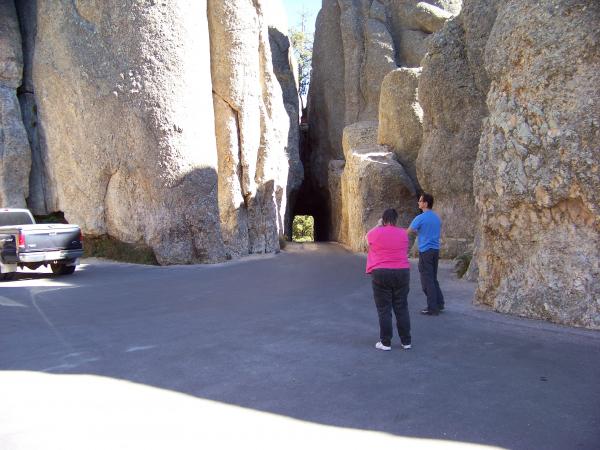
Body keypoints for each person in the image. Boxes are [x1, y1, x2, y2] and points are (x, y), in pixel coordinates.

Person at [365, 208, 411, 351]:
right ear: (396, 220)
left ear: (383, 219)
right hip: (402, 272)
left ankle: (385, 342)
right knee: (401, 307)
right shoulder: (403, 234)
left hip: (381, 272)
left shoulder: (376, 232)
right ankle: (406, 341)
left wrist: (379, 225)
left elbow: (366, 239)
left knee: (384, 309)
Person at [408, 193, 445, 316]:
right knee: (433, 278)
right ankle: (439, 303)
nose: (418, 203)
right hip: (435, 250)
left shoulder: (420, 218)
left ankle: (432, 307)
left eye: (420, 201)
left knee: (426, 281)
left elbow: (408, 231)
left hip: (425, 252)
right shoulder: (436, 218)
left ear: (425, 203)